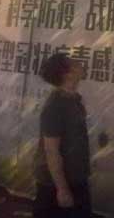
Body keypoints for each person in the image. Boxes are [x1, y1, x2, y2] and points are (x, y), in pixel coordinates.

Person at [33, 53, 91, 218]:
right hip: (55, 184)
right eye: (75, 63)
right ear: (67, 74)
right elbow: (51, 151)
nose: (80, 64)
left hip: (76, 177)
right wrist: (62, 189)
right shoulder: (55, 106)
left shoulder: (74, 99)